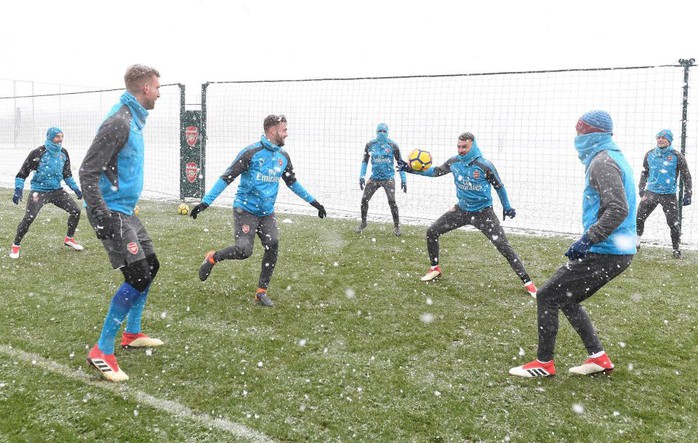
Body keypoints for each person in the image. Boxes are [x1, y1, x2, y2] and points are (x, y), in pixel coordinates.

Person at [510, 110, 636, 378]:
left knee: (546, 295)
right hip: (617, 250)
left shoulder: (603, 161)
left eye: (579, 131)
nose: (576, 137)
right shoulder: (612, 156)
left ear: (591, 132)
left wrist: (587, 239)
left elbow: (617, 209)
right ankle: (598, 358)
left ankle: (544, 364)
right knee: (566, 299)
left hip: (606, 250)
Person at [190, 114, 327, 307]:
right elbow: (226, 177)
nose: (287, 134)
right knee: (244, 251)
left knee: (274, 244)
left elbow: (292, 183)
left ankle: (261, 292)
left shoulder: (283, 157)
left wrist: (315, 203)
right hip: (245, 209)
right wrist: (205, 202)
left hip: (266, 213)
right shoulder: (250, 153)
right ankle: (212, 258)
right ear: (273, 131)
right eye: (284, 130)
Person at [79, 64, 163, 382]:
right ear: (144, 89)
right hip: (110, 212)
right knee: (138, 275)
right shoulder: (119, 121)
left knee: (151, 266)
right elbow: (88, 170)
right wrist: (100, 215)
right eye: (157, 87)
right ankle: (102, 350)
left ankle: (132, 333)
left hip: (126, 210)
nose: (159, 93)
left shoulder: (134, 120)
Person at [397, 132, 537, 298]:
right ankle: (435, 269)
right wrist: (412, 170)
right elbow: (436, 172)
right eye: (459, 146)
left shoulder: (484, 165)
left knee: (503, 246)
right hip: (461, 211)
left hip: (483, 213)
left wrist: (507, 207)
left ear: (473, 145)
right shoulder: (454, 162)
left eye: (464, 147)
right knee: (432, 232)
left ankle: (528, 283)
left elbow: (499, 186)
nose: (461, 150)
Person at [9, 127, 84, 259]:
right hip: (39, 191)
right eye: (57, 136)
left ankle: (69, 239)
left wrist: (75, 189)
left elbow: (67, 175)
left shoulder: (63, 153)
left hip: (57, 191)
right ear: (50, 137)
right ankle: (16, 245)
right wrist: (18, 190)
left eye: (62, 136)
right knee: (29, 218)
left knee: (76, 211)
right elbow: (22, 174)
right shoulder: (38, 152)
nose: (60, 139)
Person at [636, 129, 692, 258]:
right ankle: (636, 243)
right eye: (658, 137)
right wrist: (641, 187)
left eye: (663, 138)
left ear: (669, 140)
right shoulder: (650, 154)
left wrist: (688, 194)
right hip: (651, 193)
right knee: (639, 218)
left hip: (669, 194)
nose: (660, 140)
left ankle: (676, 249)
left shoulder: (677, 156)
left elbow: (686, 176)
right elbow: (645, 172)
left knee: (673, 224)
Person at [356, 123, 407, 236]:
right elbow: (365, 161)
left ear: (387, 132)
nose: (382, 133)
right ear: (376, 132)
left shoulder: (393, 145)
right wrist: (362, 176)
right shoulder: (370, 145)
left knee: (392, 201)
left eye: (384, 131)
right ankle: (363, 222)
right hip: (374, 178)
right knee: (364, 200)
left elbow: (400, 163)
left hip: (388, 178)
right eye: (380, 131)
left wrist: (403, 179)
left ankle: (397, 227)